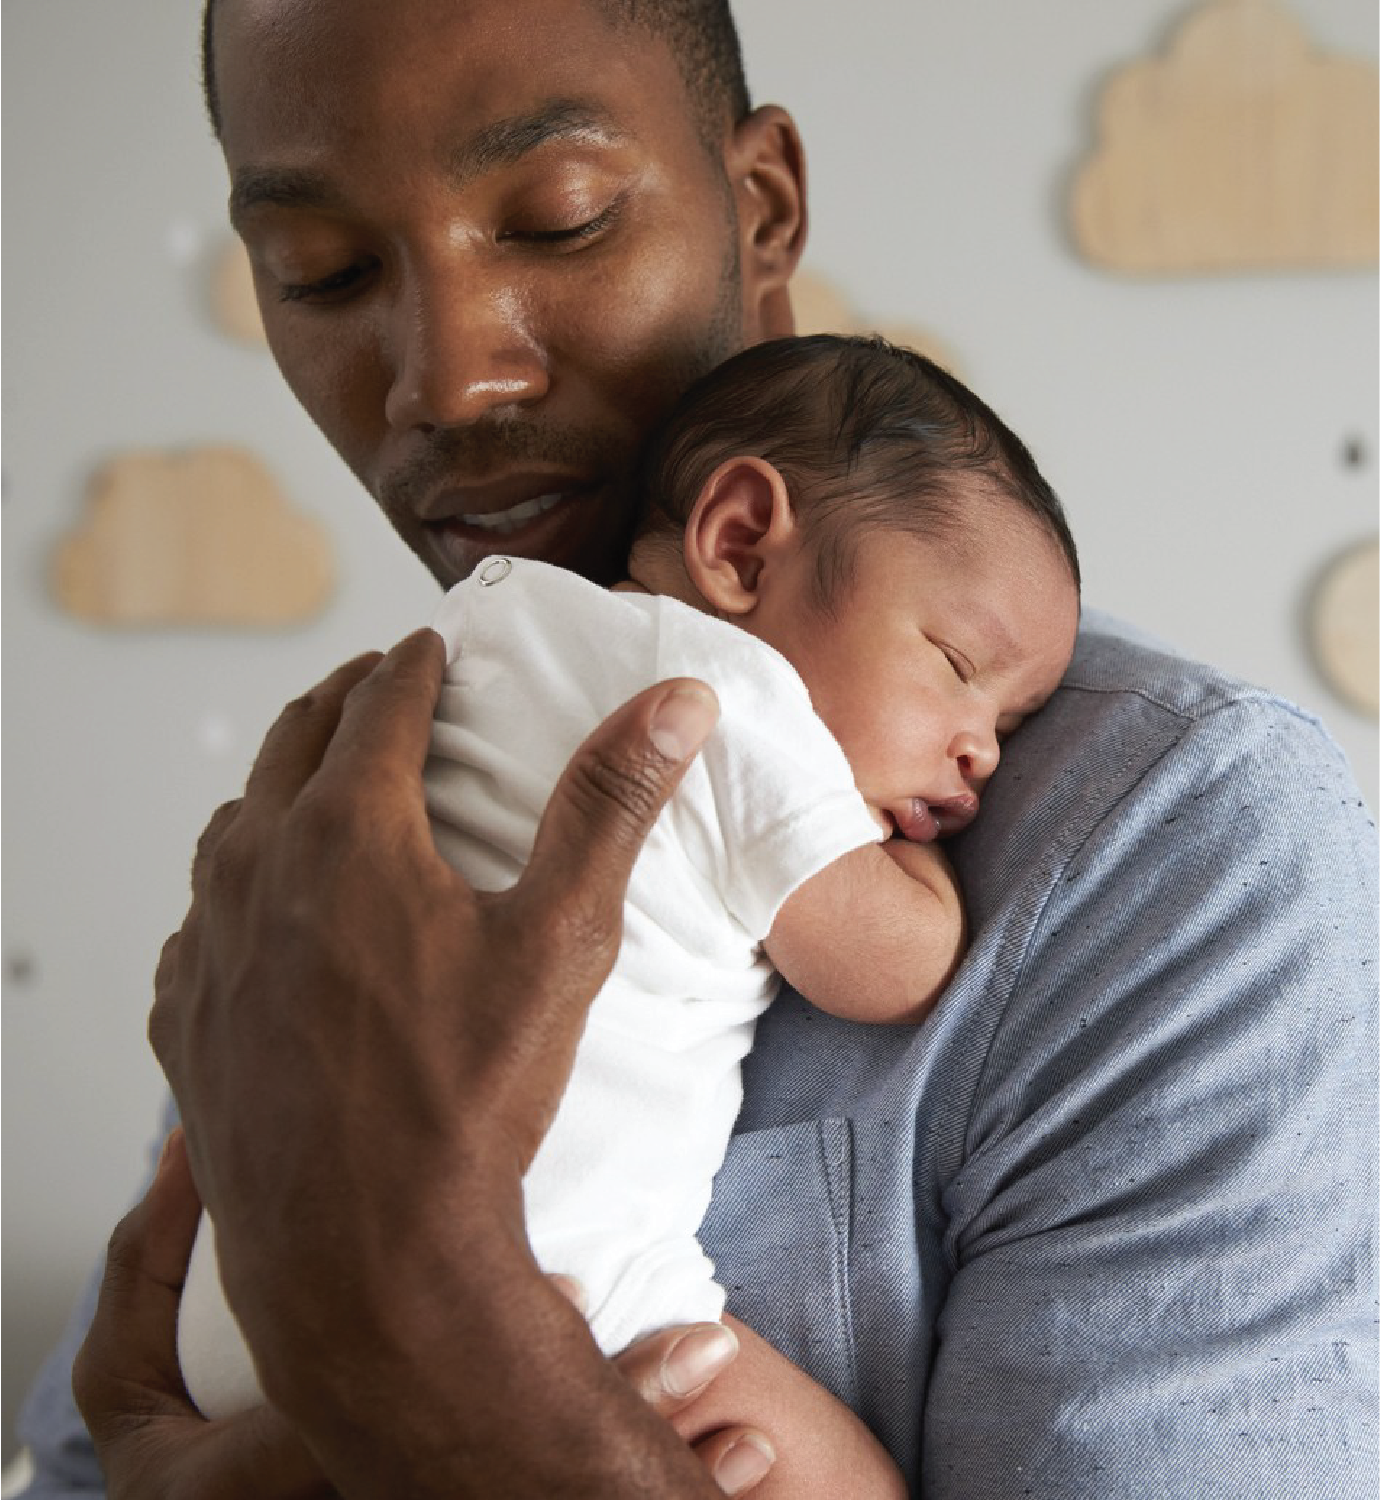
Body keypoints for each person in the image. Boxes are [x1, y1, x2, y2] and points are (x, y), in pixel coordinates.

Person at [16, 0, 1376, 1495]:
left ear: (762, 209)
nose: (449, 377)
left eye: (562, 221)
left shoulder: (1185, 850)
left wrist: (453, 1371)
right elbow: (103, 1451)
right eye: (323, 273)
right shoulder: (353, 814)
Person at [173, 334, 1081, 1459]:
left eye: (1007, 727)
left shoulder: (483, 629)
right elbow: (893, 969)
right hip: (552, 1294)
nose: (982, 753)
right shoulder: (732, 699)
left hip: (236, 1308)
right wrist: (913, 863)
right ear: (741, 544)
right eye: (956, 664)